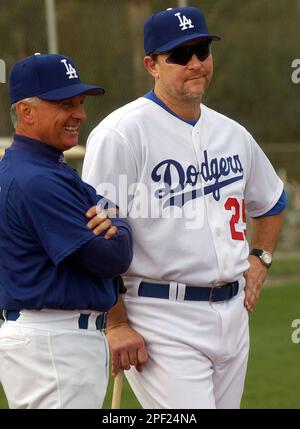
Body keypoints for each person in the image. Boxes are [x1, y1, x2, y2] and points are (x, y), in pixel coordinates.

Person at [82, 7, 286, 409]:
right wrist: (117, 322)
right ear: (151, 65)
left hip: (233, 315)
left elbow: (273, 201)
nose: (195, 63)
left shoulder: (232, 133)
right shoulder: (121, 133)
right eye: (179, 55)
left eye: (202, 50)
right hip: (160, 315)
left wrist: (260, 257)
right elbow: (94, 237)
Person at [0, 53, 133, 409]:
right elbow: (110, 257)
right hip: (53, 341)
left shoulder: (47, 167)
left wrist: (117, 224)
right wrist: (120, 229)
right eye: (64, 104)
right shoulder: (36, 179)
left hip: (57, 341)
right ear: (26, 112)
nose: (80, 114)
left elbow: (114, 216)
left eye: (80, 103)